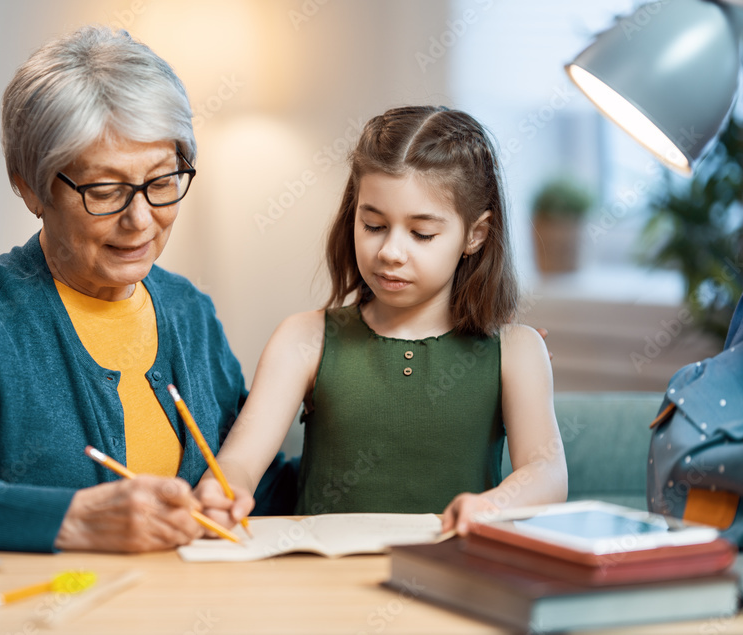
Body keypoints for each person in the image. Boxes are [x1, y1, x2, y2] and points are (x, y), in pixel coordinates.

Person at [0, 26, 292, 554]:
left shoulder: (189, 312)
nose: (141, 220)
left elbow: (260, 489)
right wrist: (71, 521)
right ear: (30, 186)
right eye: (105, 190)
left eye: (163, 181)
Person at [196, 106, 568, 536]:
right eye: (373, 225)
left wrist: (491, 505)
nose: (390, 251)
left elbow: (547, 472)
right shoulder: (304, 336)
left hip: (453, 578)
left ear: (475, 234)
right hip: (321, 582)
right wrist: (221, 491)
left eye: (421, 234)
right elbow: (239, 462)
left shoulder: (517, 349)